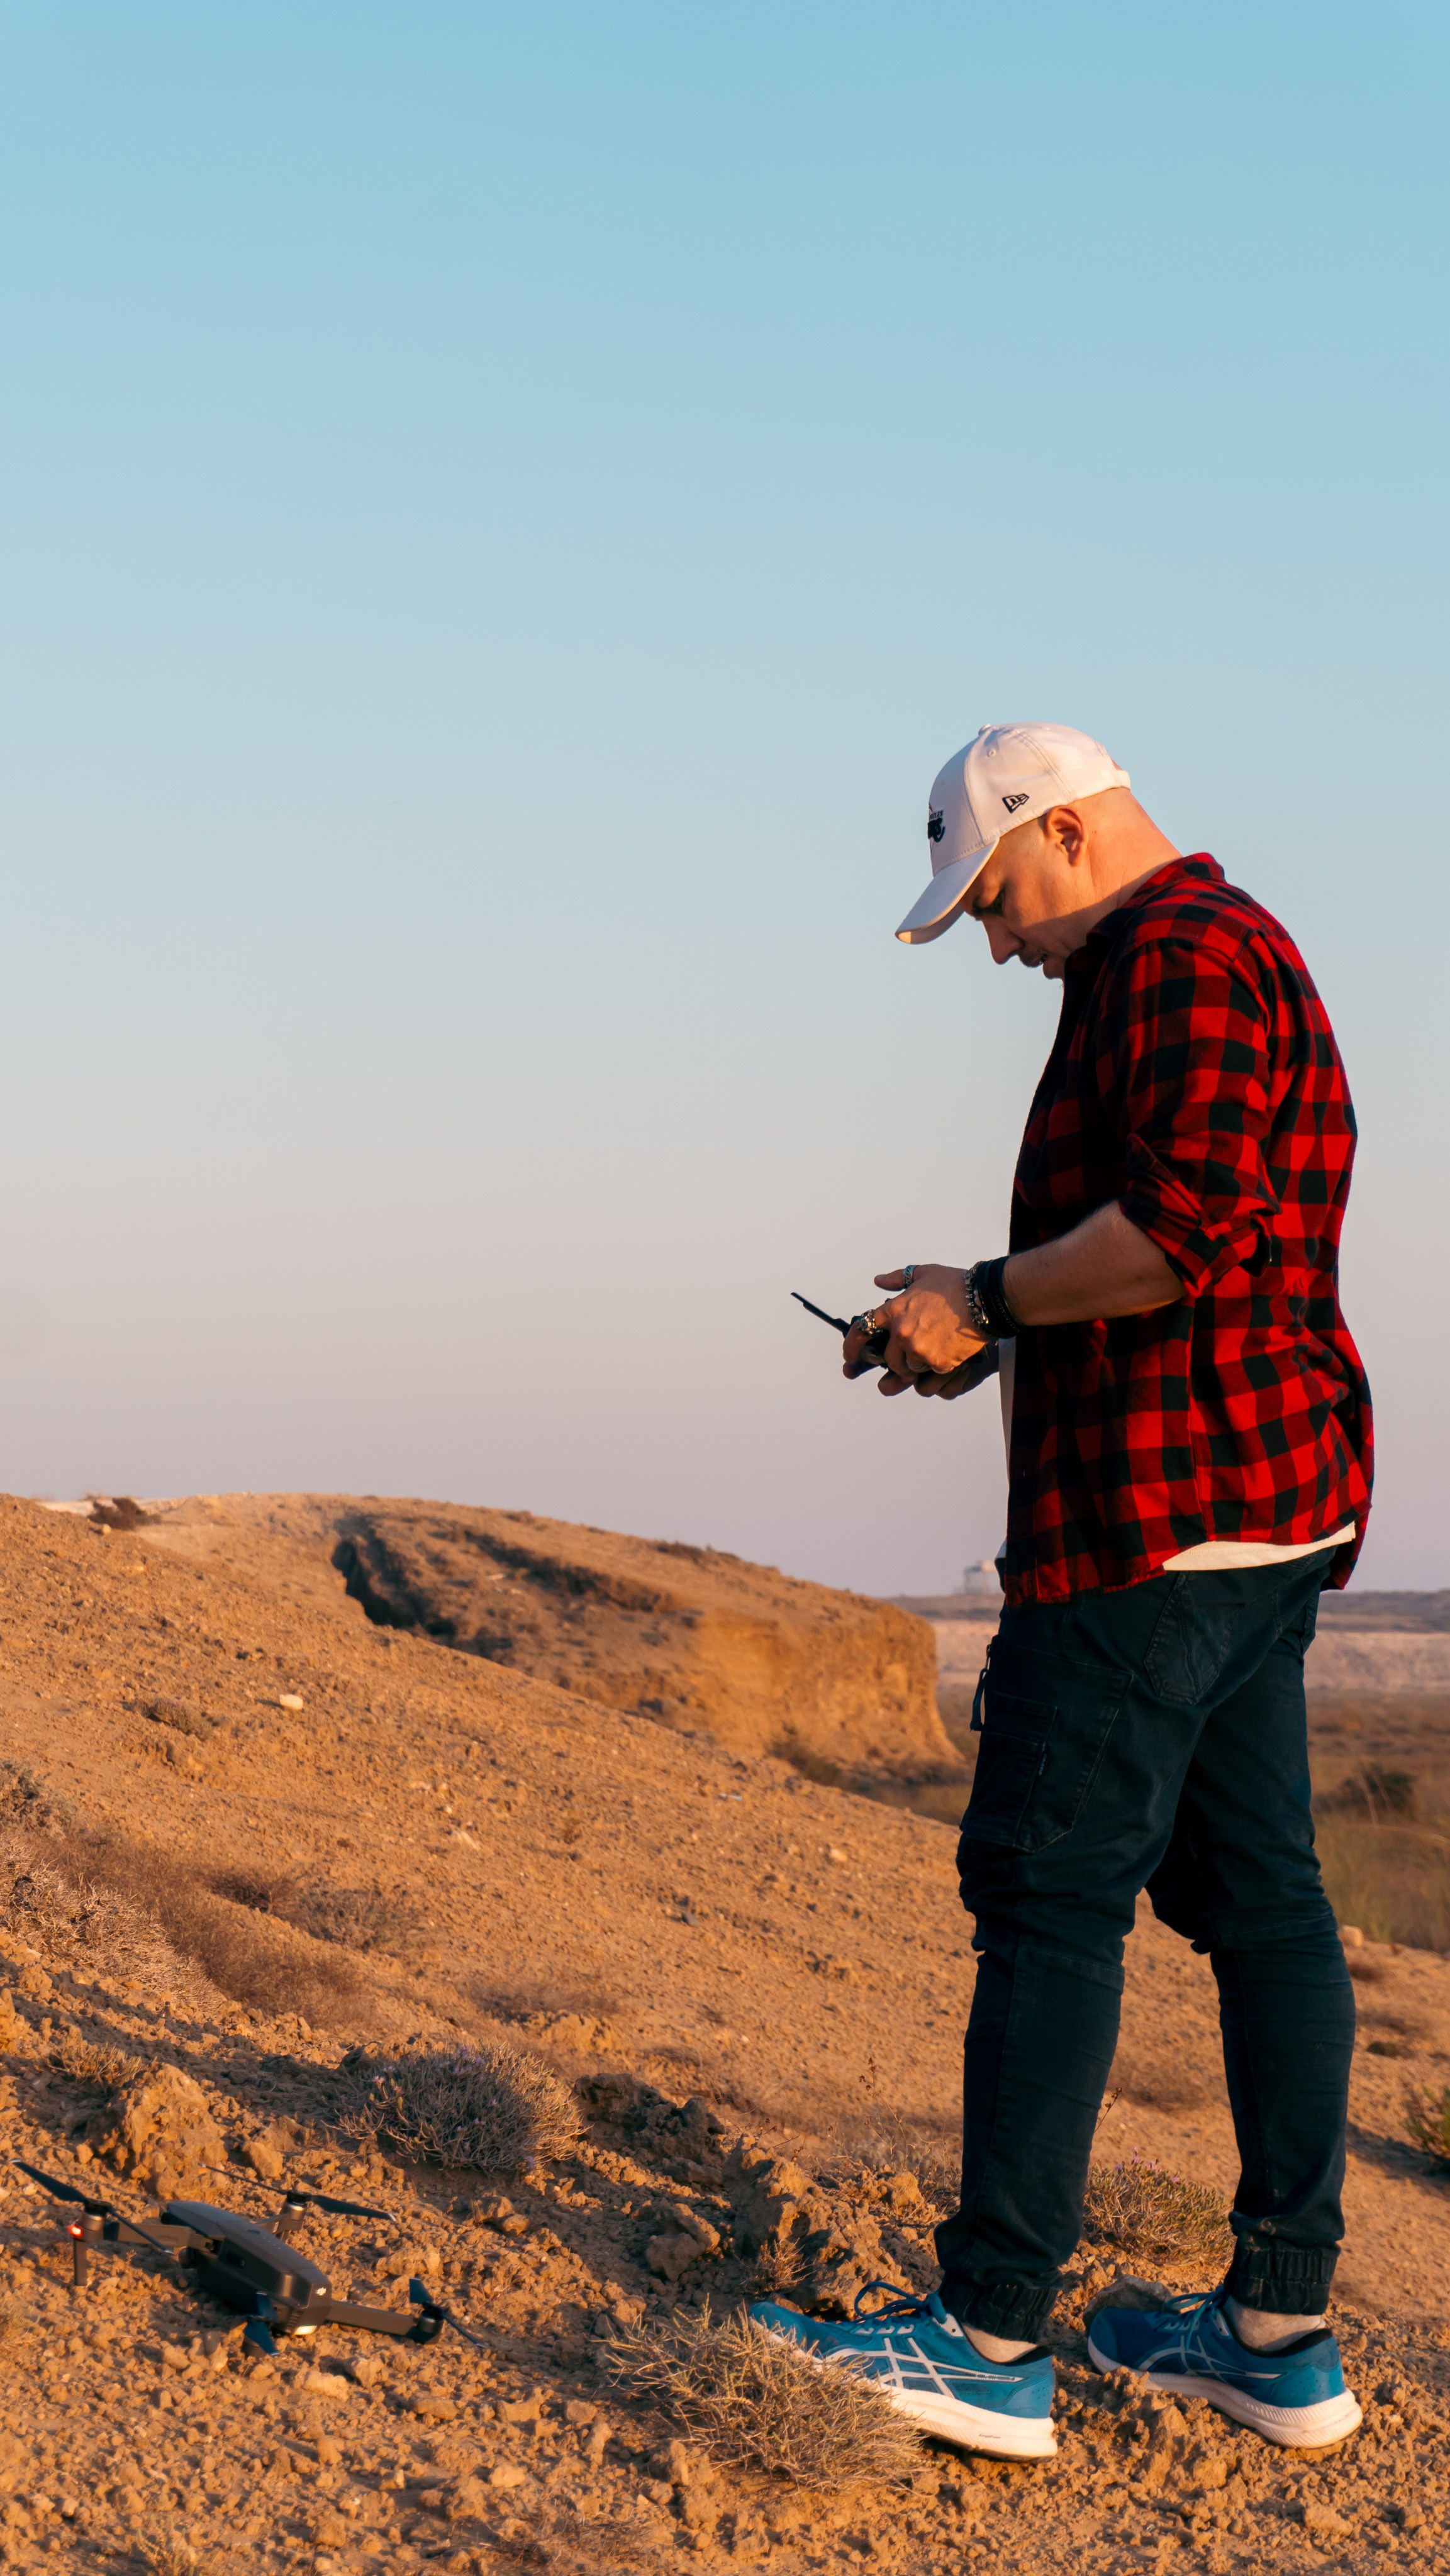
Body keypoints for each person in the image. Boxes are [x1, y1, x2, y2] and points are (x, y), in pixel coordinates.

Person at [752, 720, 1371, 2460]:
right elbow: (1178, 1255)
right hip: (1260, 1509)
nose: (997, 942)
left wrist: (993, 1304)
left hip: (1150, 1529)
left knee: (1044, 1897)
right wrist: (979, 1305)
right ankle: (1274, 2335)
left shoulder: (1170, 962)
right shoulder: (1236, 951)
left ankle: (986, 2337)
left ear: (1070, 830)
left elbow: (1176, 1235)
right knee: (1264, 1907)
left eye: (997, 899)